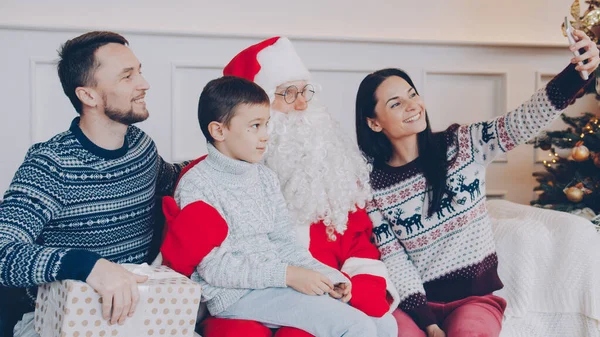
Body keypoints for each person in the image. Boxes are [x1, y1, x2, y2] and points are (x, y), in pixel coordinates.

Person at [354, 30, 600, 337]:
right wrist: (428, 323)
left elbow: (524, 119)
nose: (412, 105)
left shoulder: (462, 145)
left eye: (412, 94)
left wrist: (579, 73)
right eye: (395, 103)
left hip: (474, 301)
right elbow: (395, 258)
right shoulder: (372, 186)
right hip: (412, 306)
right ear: (374, 123)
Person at [168, 36, 399, 337]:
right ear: (219, 130)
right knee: (355, 326)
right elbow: (215, 268)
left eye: (266, 125)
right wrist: (288, 276)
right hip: (238, 294)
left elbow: (285, 243)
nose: (265, 135)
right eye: (255, 126)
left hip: (277, 282)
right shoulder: (198, 183)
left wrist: (330, 277)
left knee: (384, 323)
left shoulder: (264, 177)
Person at [0, 31, 187, 337]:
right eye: (127, 77)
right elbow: (3, 253)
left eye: (139, 71)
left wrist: (232, 150)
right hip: (58, 319)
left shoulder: (141, 147)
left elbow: (176, 178)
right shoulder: (50, 165)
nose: (144, 84)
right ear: (88, 95)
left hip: (140, 314)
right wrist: (89, 265)